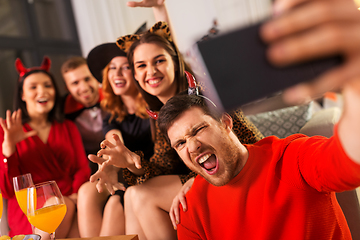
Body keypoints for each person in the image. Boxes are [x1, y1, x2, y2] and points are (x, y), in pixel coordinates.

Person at [156, 0, 360, 239]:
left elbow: (349, 161)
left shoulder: (290, 159)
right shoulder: (190, 209)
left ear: (226, 122)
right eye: (180, 143)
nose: (192, 146)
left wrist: (355, 84)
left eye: (199, 129)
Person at [89, 21, 263, 240]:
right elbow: (163, 167)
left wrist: (197, 178)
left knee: (141, 196)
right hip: (206, 177)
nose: (150, 71)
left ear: (175, 62)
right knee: (133, 194)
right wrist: (131, 162)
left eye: (159, 61)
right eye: (141, 65)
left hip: (241, 176)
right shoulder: (160, 113)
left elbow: (249, 143)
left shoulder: (205, 92)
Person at [0, 57, 90, 239]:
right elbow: (8, 190)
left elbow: (82, 168)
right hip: (29, 211)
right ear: (22, 95)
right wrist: (9, 148)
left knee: (62, 205)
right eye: (33, 87)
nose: (42, 91)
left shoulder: (68, 127)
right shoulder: (6, 132)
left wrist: (73, 195)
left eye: (48, 85)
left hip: (69, 200)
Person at [76, 42, 154, 237]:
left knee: (114, 204)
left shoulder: (153, 104)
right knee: (100, 197)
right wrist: (112, 159)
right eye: (112, 68)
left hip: (154, 172)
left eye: (125, 67)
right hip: (130, 175)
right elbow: (114, 139)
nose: (117, 74)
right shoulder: (111, 113)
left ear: (137, 72)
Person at [61, 56, 107, 174]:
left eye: (87, 79)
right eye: (75, 83)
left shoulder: (113, 98)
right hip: (86, 163)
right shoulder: (62, 111)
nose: (84, 88)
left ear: (97, 78)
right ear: (68, 88)